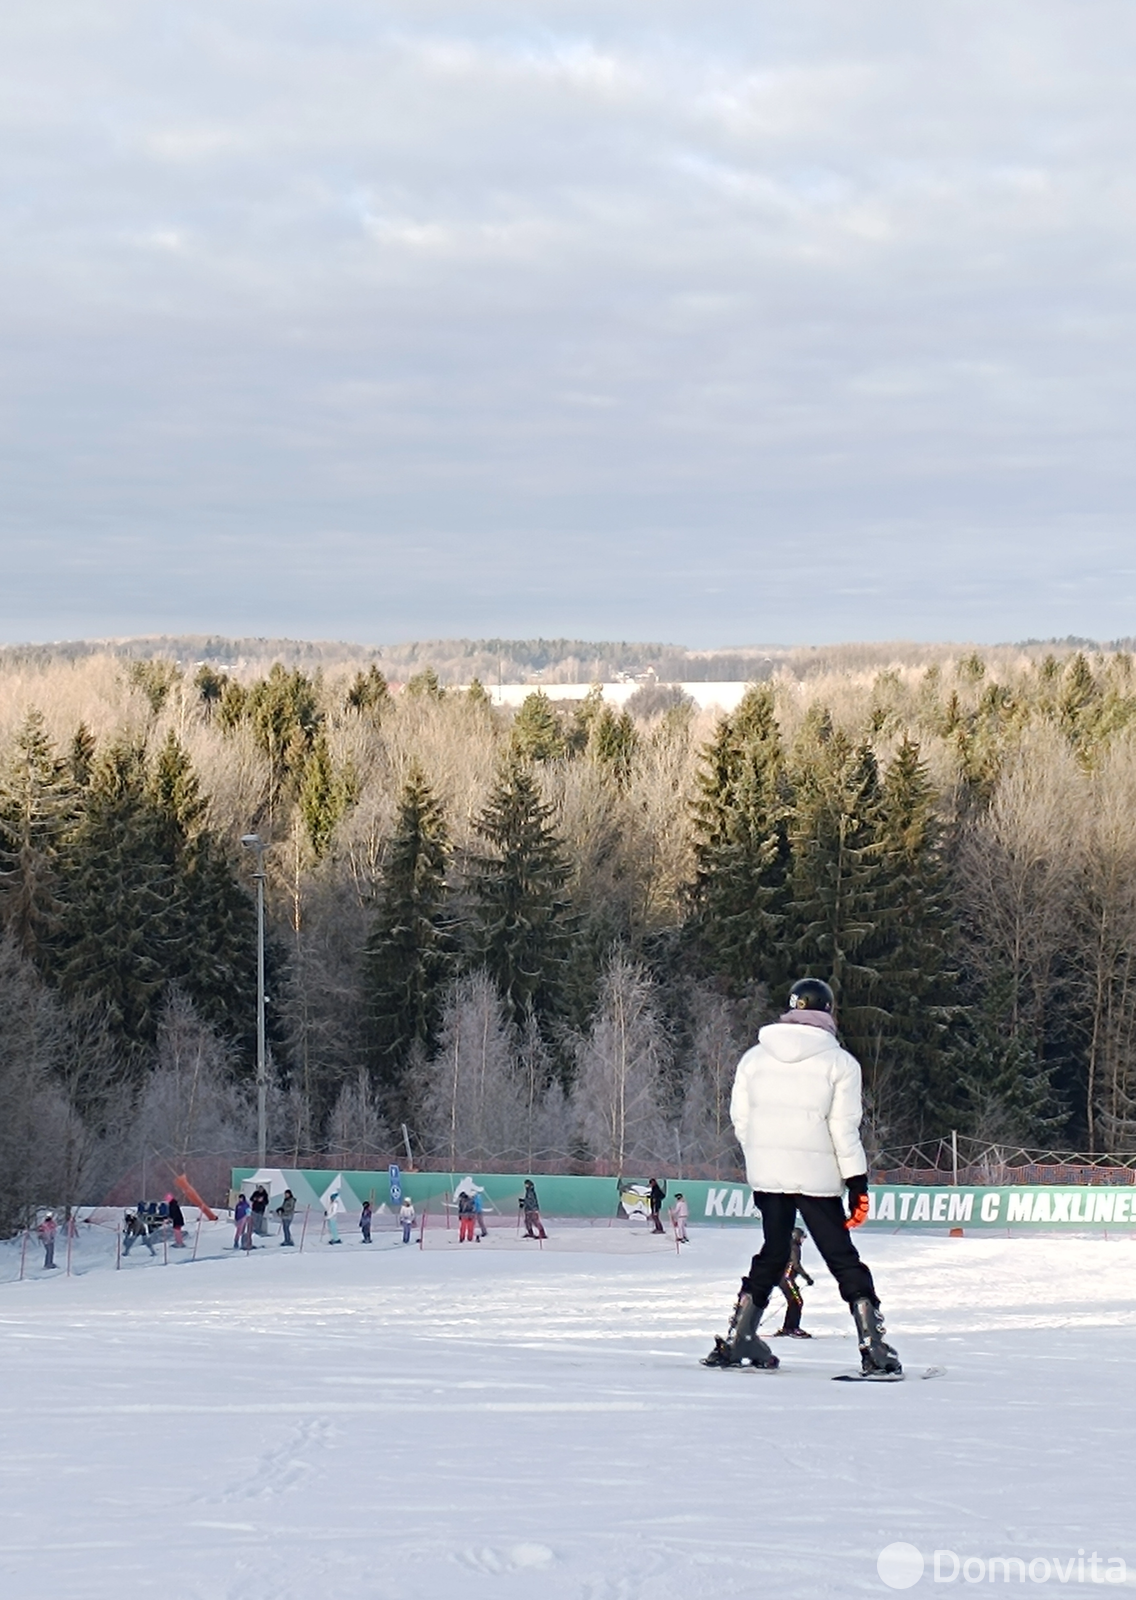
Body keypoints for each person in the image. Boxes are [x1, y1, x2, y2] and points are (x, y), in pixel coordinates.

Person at [702, 978, 901, 1377]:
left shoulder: (754, 1059)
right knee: (841, 1256)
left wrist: (762, 1155)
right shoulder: (840, 1063)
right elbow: (843, 1129)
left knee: (774, 1253)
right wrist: (857, 1184)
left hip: (767, 1173)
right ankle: (873, 1347)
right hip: (817, 1176)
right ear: (827, 1012)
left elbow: (740, 1119)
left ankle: (739, 1337)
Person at [772, 1227, 814, 1338]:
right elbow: (796, 1265)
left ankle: (787, 1328)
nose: (802, 1241)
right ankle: (793, 1328)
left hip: (784, 1279)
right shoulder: (794, 1248)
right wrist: (807, 1278)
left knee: (793, 1302)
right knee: (797, 1301)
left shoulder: (787, 1246)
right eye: (801, 1238)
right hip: (787, 1279)